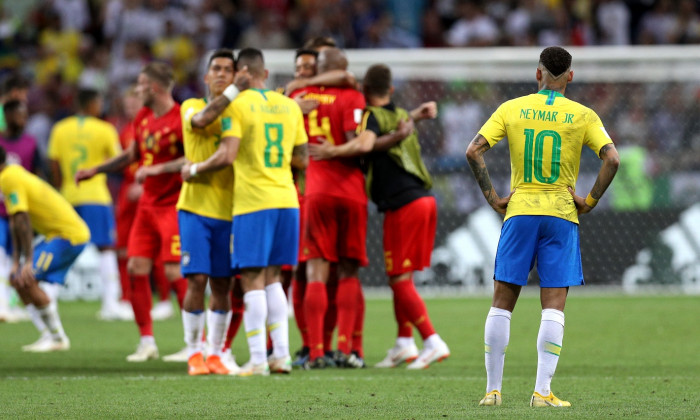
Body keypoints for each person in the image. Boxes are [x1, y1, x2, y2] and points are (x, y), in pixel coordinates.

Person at [465, 46, 620, 407]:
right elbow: (612, 158)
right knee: (553, 305)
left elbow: (473, 151)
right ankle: (542, 392)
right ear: (570, 76)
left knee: (502, 303)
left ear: (537, 75)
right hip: (561, 214)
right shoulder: (583, 115)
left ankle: (492, 391)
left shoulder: (511, 109)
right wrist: (590, 201)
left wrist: (492, 196)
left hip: (519, 211)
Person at [308, 63, 451, 369]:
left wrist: (331, 151)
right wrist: (416, 114)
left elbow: (366, 142)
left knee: (398, 279)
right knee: (405, 276)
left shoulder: (370, 117)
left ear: (363, 90)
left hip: (403, 205)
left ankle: (432, 340)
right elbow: (392, 128)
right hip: (426, 200)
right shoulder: (399, 116)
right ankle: (404, 342)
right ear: (392, 90)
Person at [182, 47, 308, 376]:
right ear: (265, 73)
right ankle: (281, 355)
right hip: (287, 199)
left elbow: (228, 152)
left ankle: (257, 359)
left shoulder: (237, 104)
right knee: (274, 279)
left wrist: (196, 169)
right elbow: (303, 159)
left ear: (242, 74)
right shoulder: (290, 106)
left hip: (253, 201)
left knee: (251, 280)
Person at [76, 62, 188, 362]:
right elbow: (131, 155)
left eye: (140, 84)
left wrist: (157, 169)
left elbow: (194, 158)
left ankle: (195, 342)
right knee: (136, 266)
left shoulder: (181, 119)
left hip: (174, 205)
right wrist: (96, 170)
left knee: (174, 271)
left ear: (153, 87)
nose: (137, 90)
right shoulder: (142, 117)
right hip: (147, 207)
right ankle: (147, 341)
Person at [294, 47, 368, 369]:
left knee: (315, 271)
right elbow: (357, 139)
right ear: (342, 68)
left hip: (315, 189)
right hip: (350, 190)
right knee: (349, 271)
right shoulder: (352, 96)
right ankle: (344, 347)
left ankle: (315, 351)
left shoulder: (298, 94)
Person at [175, 48, 242, 376]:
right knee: (196, 279)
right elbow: (202, 122)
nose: (220, 74)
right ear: (206, 76)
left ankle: (215, 353)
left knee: (222, 285)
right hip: (194, 208)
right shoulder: (192, 106)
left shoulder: (238, 115)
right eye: (215, 68)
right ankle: (193, 352)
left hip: (230, 210)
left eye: (227, 70)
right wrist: (234, 92)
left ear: (234, 76)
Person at [47, 88, 131, 321]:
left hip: (68, 196)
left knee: (63, 246)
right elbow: (118, 161)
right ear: (92, 104)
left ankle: (47, 299)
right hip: (96, 195)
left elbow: (53, 163)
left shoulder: (59, 129)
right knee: (105, 248)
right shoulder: (104, 129)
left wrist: (62, 188)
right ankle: (110, 305)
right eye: (99, 102)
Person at [0, 145, 90, 351]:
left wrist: (27, 261)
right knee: (18, 280)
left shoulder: (8, 178)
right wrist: (16, 262)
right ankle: (48, 334)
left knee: (27, 278)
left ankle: (57, 338)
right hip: (56, 236)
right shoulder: (11, 175)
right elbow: (15, 221)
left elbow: (22, 220)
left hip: (69, 235)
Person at [0, 100, 44, 325]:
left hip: (22, 210)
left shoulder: (31, 143)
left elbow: (37, 174)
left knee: (15, 257)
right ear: (6, 115)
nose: (23, 118)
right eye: (19, 114)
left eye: (25, 114)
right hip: (0, 209)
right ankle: (2, 306)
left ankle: (13, 304)